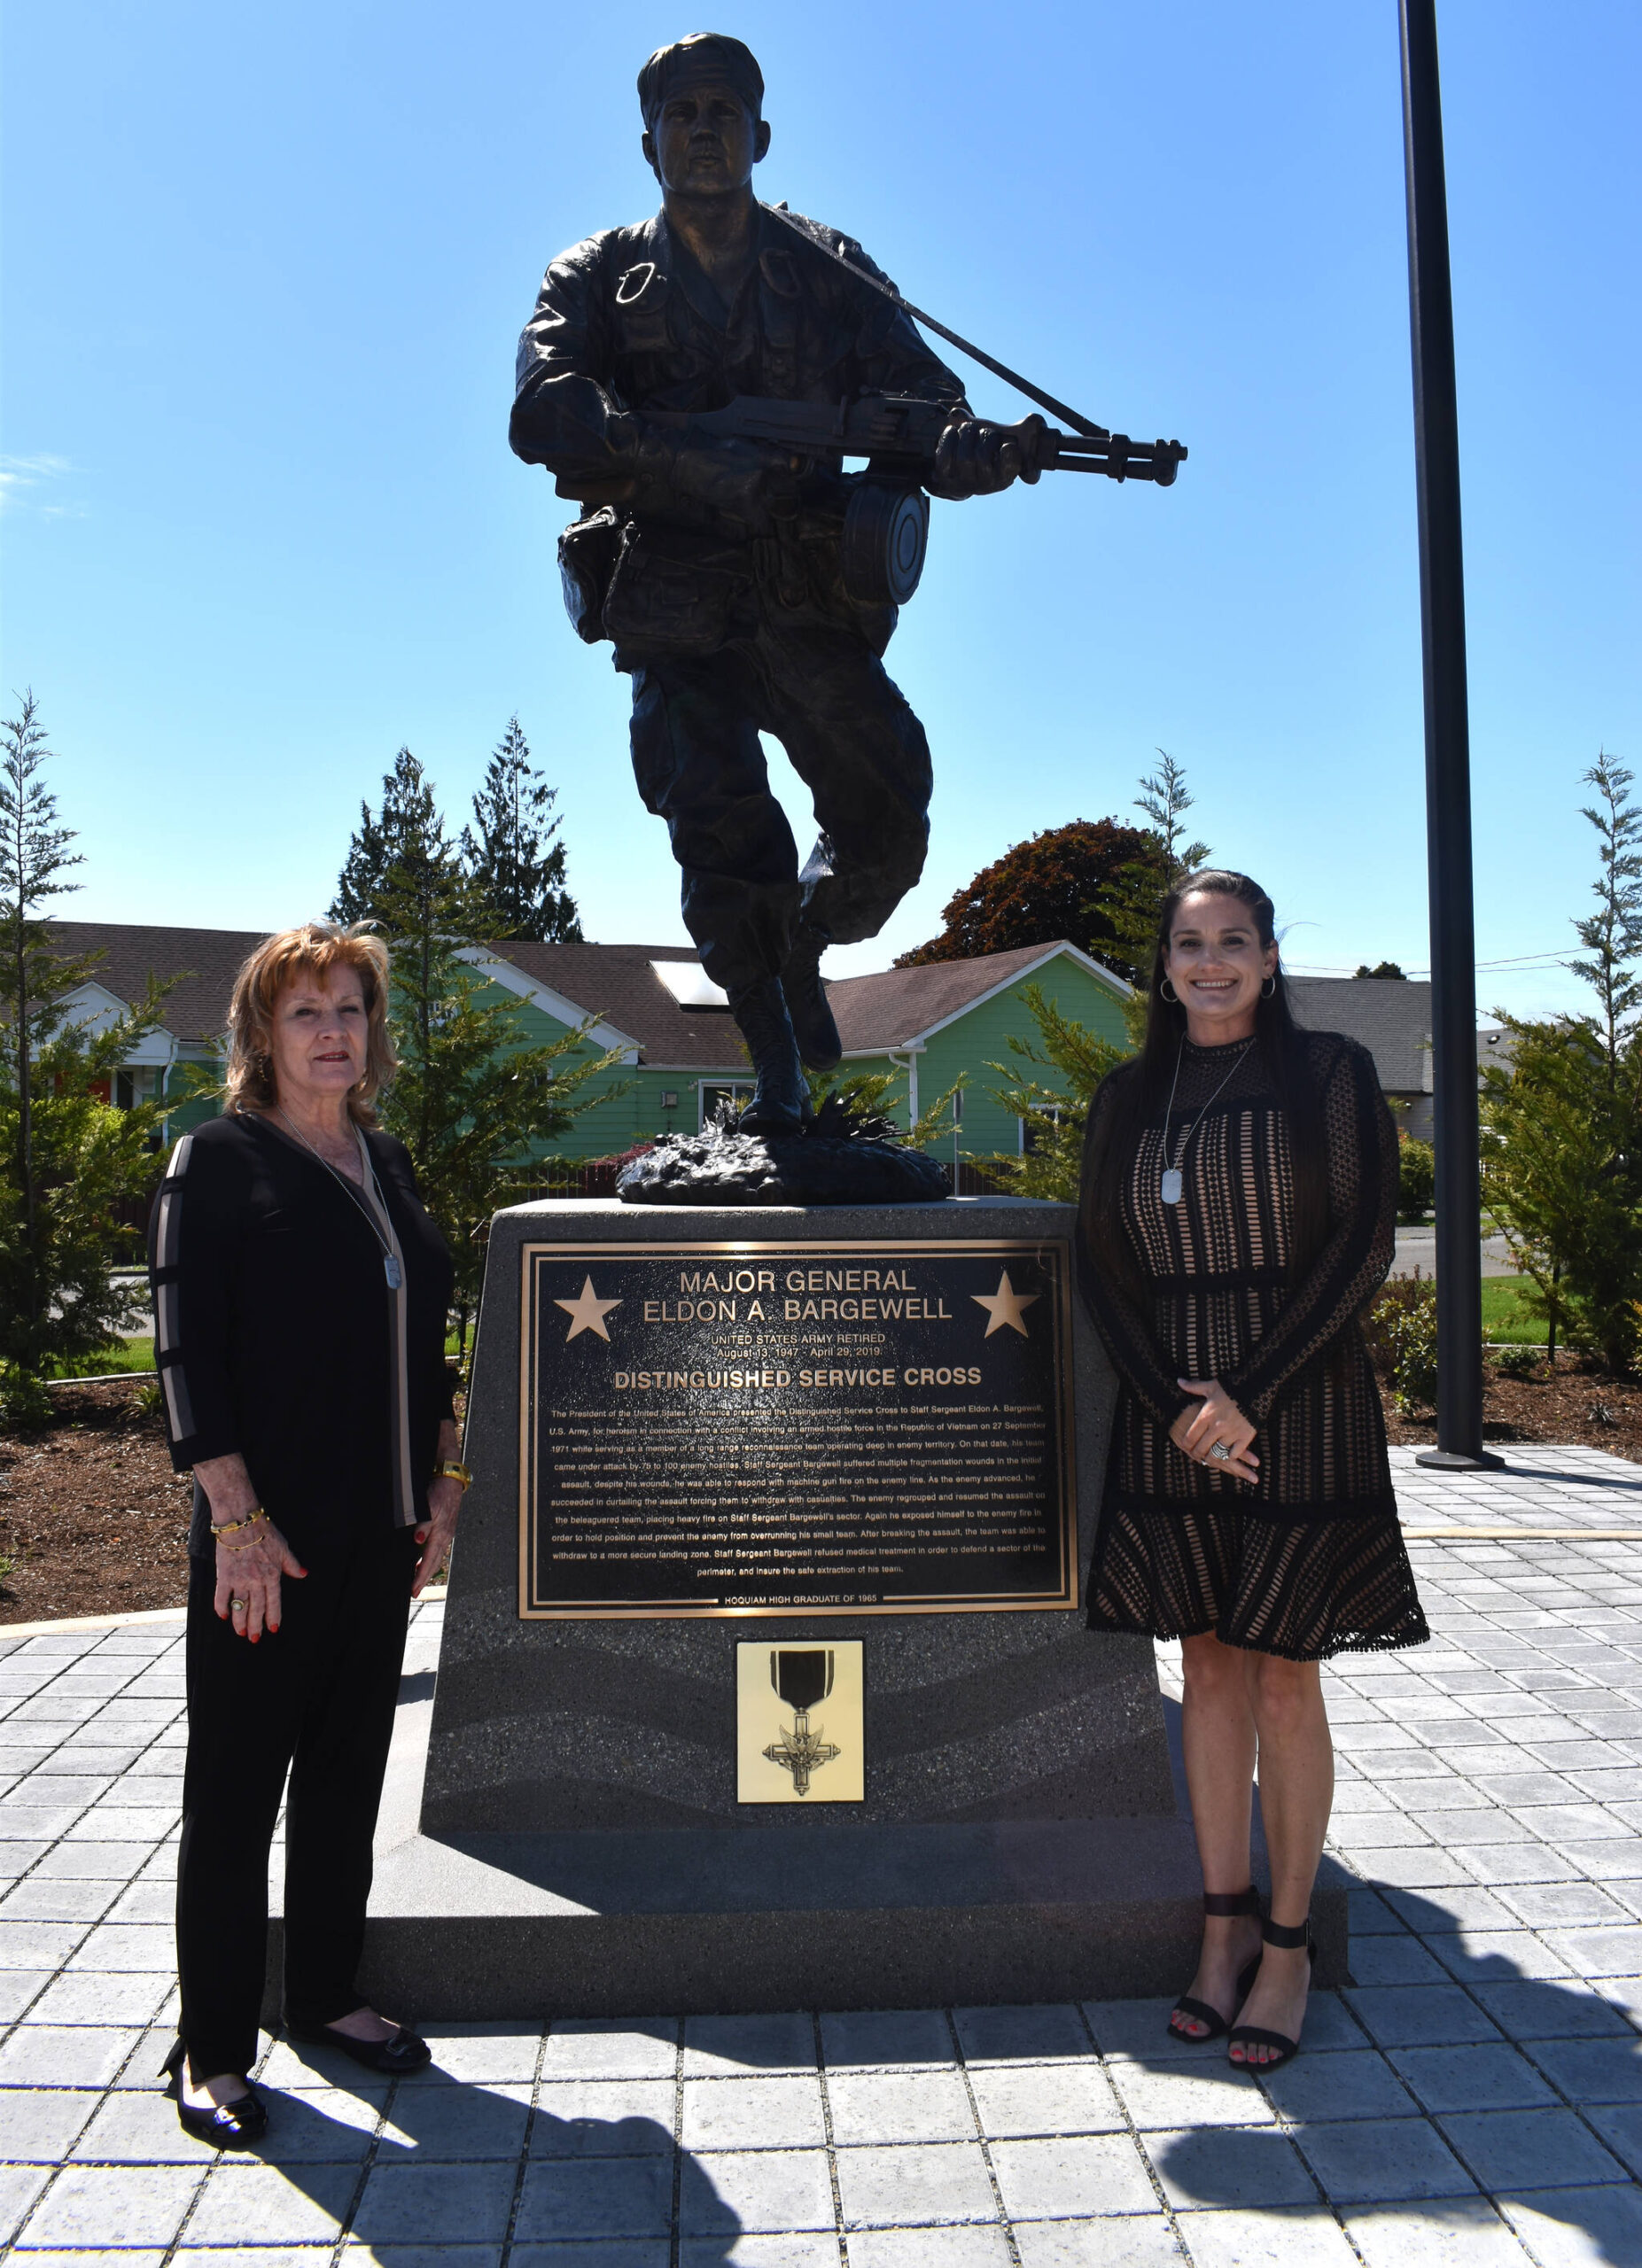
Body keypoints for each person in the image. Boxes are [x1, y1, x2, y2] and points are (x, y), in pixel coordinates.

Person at [508, 32, 1024, 1133]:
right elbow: (541, 410)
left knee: (886, 819)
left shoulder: (824, 267)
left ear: (761, 135)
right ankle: (776, 1065)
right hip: (674, 598)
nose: (703, 130)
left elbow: (924, 400)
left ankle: (799, 946)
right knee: (720, 828)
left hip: (806, 597)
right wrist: (678, 456)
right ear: (648, 141)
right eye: (680, 113)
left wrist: (967, 450)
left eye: (723, 112)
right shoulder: (595, 273)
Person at [1078, 871, 1428, 2070]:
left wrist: (1248, 1396)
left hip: (1298, 1405)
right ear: (1163, 965)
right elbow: (1103, 1272)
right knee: (1210, 1670)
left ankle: (1288, 1951)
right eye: (1189, 944)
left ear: (1271, 958)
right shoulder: (1127, 1098)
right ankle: (1219, 1933)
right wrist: (1176, 1408)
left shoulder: (1327, 1073)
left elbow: (1362, 1241)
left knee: (1285, 1677)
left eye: (1235, 942)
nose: (1212, 963)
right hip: (1173, 1414)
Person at [147, 922, 466, 2143]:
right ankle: (214, 2049)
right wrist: (232, 1516)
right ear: (258, 1035)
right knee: (235, 1798)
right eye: (305, 1013)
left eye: (351, 1009)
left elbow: (423, 1339)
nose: (334, 1032)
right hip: (266, 1546)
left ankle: (326, 1997)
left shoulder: (383, 1166)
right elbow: (184, 1357)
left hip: (380, 1539)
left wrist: (443, 1479)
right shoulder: (217, 1162)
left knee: (344, 1786)